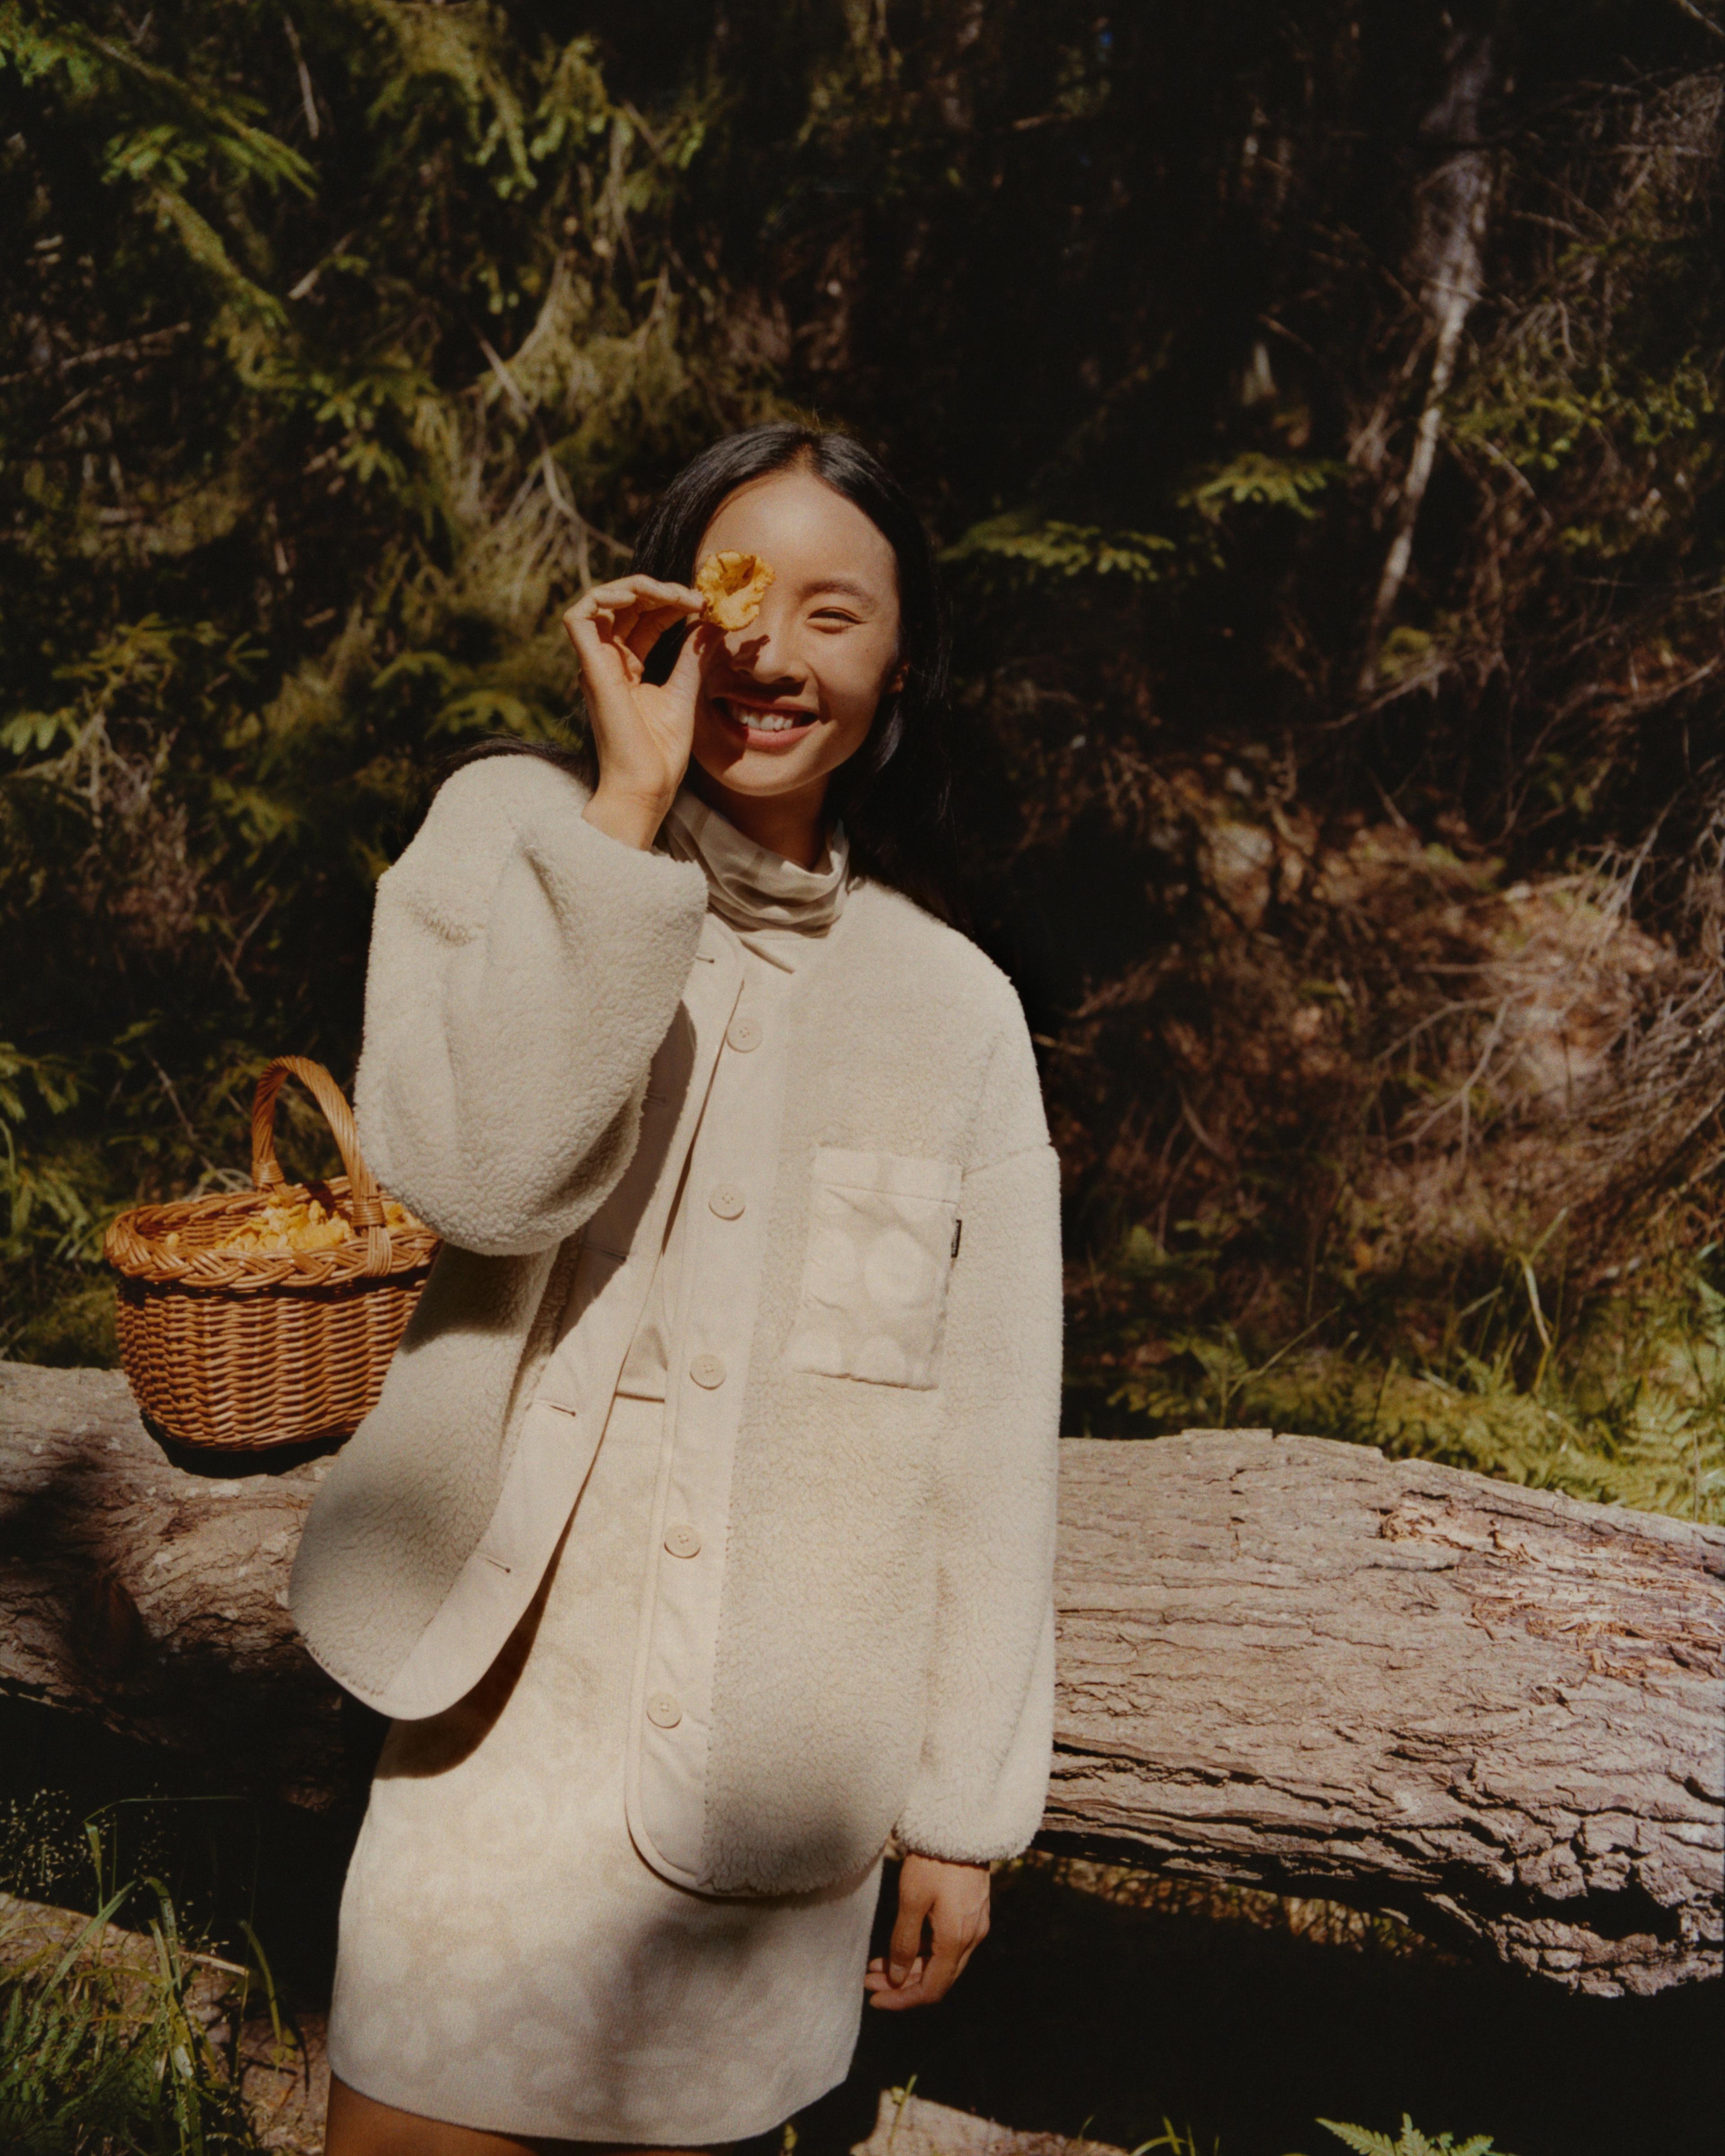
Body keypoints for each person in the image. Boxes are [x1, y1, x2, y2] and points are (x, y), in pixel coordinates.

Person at [290, 424, 1064, 2156]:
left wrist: (961, 1815)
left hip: (775, 1772)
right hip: (487, 1736)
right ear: (660, 613)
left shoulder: (955, 1009)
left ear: (901, 659)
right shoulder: (513, 836)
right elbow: (475, 1176)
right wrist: (626, 813)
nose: (775, 655)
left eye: (835, 613)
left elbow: (990, 1447)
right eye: (737, 599)